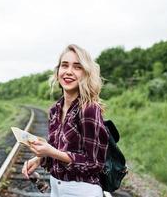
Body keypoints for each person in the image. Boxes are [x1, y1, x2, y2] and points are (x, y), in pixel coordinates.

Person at [22, 44, 109, 197]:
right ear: (57, 72)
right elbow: (57, 150)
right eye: (64, 65)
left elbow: (95, 163)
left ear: (86, 73)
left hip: (82, 190)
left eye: (77, 67)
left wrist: (51, 152)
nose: (69, 71)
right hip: (56, 187)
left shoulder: (89, 109)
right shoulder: (55, 110)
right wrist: (39, 159)